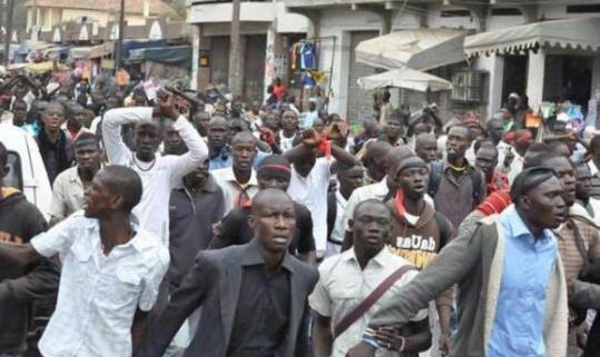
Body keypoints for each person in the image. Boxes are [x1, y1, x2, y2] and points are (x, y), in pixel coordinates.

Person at [347, 167, 569, 357]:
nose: (562, 204)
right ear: (526, 202)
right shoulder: (488, 236)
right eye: (551, 196)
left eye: (561, 195)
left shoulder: (550, 245)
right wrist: (372, 337)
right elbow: (427, 283)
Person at [0, 165, 169, 357]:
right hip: (57, 349)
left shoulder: (153, 256)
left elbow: (143, 315)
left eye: (95, 188)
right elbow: (26, 253)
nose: (85, 192)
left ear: (116, 201)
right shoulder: (77, 225)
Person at [136, 189, 319, 357]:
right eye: (271, 216)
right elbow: (171, 319)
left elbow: (300, 339)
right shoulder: (217, 265)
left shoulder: (304, 276)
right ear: (252, 222)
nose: (281, 224)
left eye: (288, 217)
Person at [311, 200, 430, 357]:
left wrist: (399, 343)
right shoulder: (329, 269)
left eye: (382, 223)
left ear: (390, 230)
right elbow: (322, 326)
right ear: (351, 225)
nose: (374, 228)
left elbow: (425, 336)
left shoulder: (407, 276)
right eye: (366, 220)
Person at [102, 90, 208, 246]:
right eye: (141, 134)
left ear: (160, 140)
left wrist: (173, 114)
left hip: (153, 249)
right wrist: (156, 112)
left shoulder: (168, 167)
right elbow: (110, 119)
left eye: (152, 136)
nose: (146, 140)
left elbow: (201, 152)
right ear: (133, 136)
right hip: (121, 247)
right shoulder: (121, 159)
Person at [0, 140, 59, 357]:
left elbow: (50, 274)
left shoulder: (26, 214)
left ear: (4, 171)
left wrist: (8, 291)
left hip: (6, 338)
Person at [210, 155, 316, 263]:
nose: (273, 185)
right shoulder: (239, 216)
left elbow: (308, 250)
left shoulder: (301, 214)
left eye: (281, 180)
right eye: (267, 179)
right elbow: (213, 255)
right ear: (257, 180)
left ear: (289, 182)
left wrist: (306, 274)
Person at [285, 129, 361, 253]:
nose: (308, 164)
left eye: (311, 159)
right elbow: (278, 159)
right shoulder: (285, 170)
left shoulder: (321, 167)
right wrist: (306, 145)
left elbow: (351, 163)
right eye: (302, 158)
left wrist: (324, 142)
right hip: (289, 245)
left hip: (317, 245)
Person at [167, 158, 225, 292]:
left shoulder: (216, 193)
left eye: (205, 163)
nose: (201, 167)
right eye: (197, 162)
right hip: (170, 276)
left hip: (202, 276)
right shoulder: (171, 191)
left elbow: (217, 236)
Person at [429, 125, 486, 232]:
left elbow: (480, 212)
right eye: (450, 138)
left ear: (468, 145)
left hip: (464, 242)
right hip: (437, 237)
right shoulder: (432, 171)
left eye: (459, 139)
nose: (453, 142)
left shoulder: (477, 176)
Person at [48, 133, 103, 226]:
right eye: (81, 153)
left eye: (91, 152)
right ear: (75, 154)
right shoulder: (63, 179)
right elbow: (55, 217)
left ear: (100, 152)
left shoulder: (113, 177)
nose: (86, 156)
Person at [212, 132, 260, 215]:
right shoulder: (215, 179)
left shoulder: (261, 183)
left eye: (249, 150)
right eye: (239, 149)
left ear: (255, 154)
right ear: (231, 151)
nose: (244, 155)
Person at [326, 162, 364, 256]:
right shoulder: (329, 201)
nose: (358, 181)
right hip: (332, 252)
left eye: (360, 177)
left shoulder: (365, 202)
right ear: (340, 178)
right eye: (353, 177)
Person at [36, 101, 75, 185]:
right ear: (43, 118)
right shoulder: (34, 142)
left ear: (64, 120)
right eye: (51, 115)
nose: (55, 117)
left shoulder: (69, 144)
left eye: (59, 115)